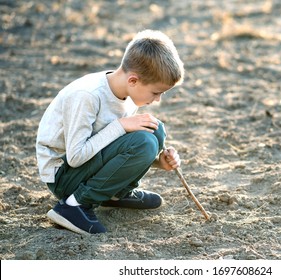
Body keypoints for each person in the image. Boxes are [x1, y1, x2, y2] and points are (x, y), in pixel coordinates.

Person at [36, 29, 185, 234]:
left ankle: (116, 193)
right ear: (133, 80)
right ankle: (73, 206)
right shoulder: (87, 95)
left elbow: (119, 148)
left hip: (86, 167)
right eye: (156, 92)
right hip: (63, 175)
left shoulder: (127, 93)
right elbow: (76, 157)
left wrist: (160, 163)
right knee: (145, 140)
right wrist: (121, 126)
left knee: (155, 131)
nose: (158, 99)